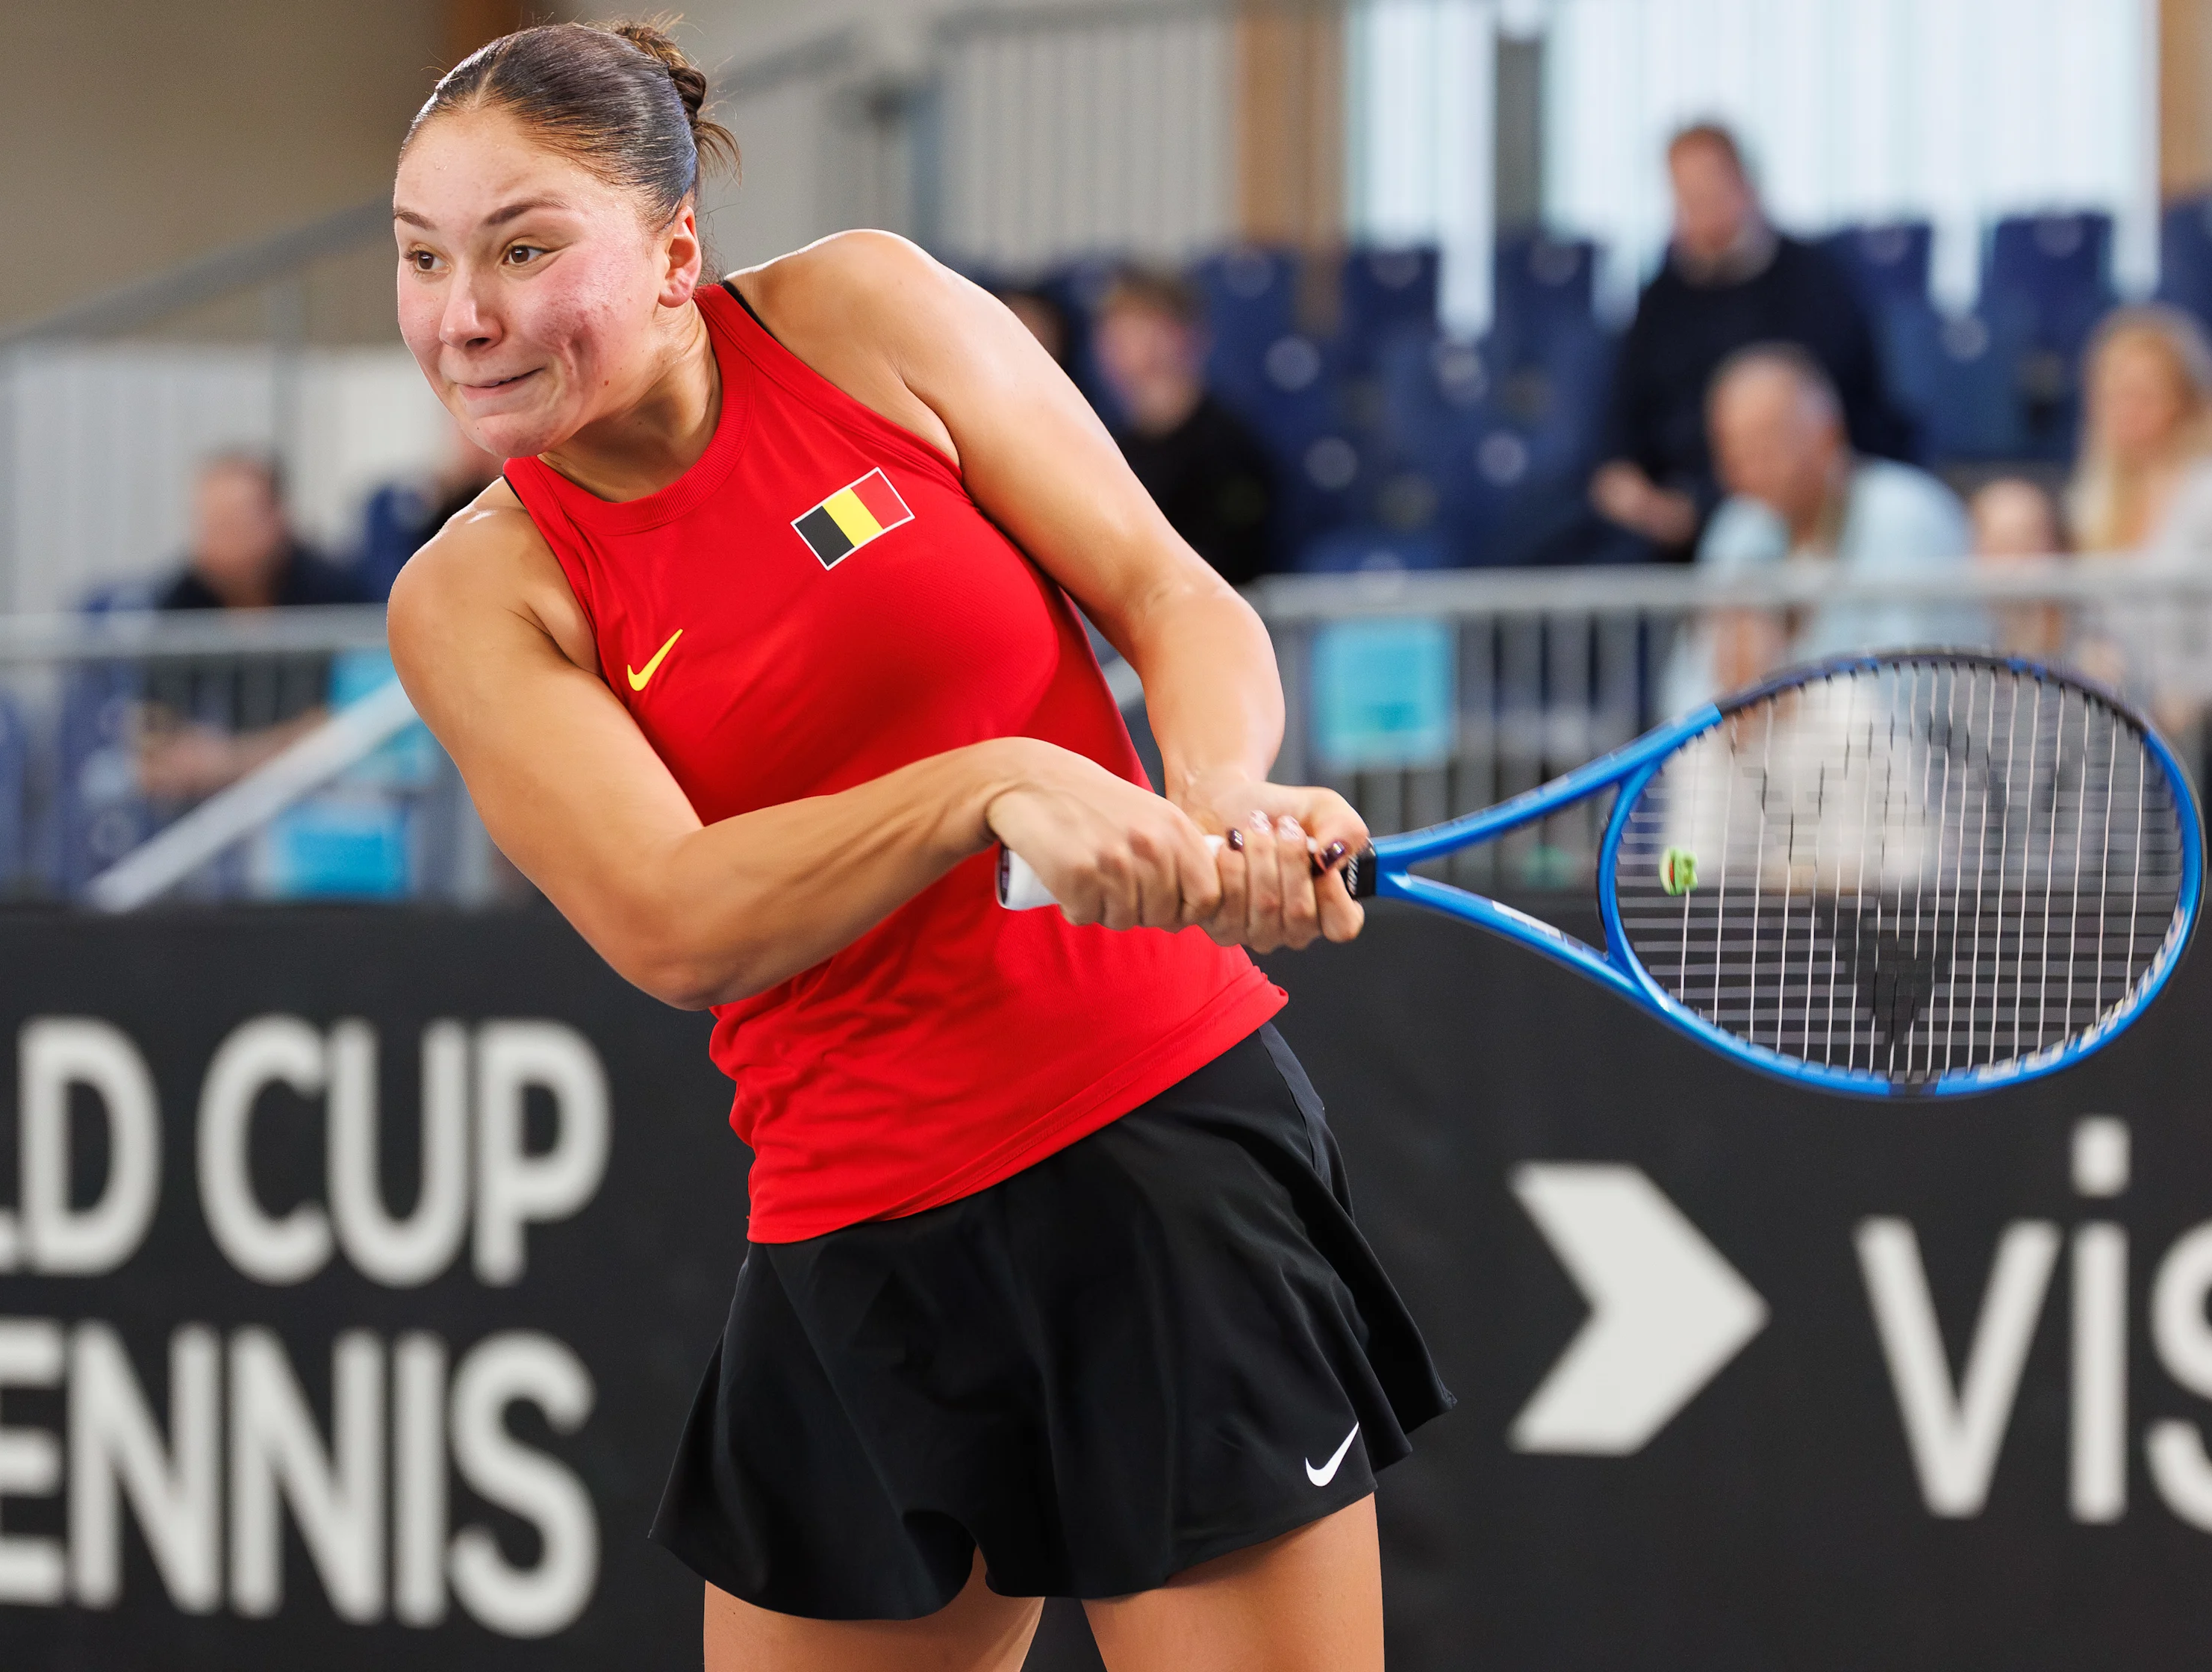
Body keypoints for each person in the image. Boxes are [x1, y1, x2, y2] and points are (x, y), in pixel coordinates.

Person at [385, 21, 1445, 1672]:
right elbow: (673, 922)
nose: (467, 316)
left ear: (673, 256)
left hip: (1155, 1157)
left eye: (526, 249)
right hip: (850, 1235)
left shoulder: (866, 314)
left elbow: (1168, 593)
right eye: (425, 257)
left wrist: (1225, 785)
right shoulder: (471, 596)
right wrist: (989, 783)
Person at [1589, 123, 1910, 564]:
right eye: (1684, 195)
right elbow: (1623, 419)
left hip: (1778, 503)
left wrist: (1703, 504)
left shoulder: (1817, 282)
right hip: (1665, 504)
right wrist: (1630, 487)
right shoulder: (1660, 298)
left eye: (1707, 189)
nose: (1696, 208)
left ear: (1745, 185)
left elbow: (1839, 425)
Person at [1664, 343, 1980, 714]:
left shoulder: (1906, 512)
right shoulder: (1738, 527)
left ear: (1828, 432)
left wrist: (1784, 695)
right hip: (1753, 746)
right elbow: (1685, 692)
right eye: (1734, 452)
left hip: (1901, 752)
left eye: (1765, 444)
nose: (1749, 468)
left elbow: (1909, 683)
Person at [2066, 305, 2212, 737]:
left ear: (2188, 399)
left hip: (2207, 742)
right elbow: (2085, 626)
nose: (2125, 410)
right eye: (2113, 393)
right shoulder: (2092, 496)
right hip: (2117, 738)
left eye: (2144, 393)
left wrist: (2172, 711)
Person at [134, 452, 368, 800]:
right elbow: (151, 740)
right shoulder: (179, 602)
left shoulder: (336, 594)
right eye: (209, 524)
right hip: (201, 814)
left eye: (233, 523)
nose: (217, 541)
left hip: (325, 801)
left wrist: (226, 761)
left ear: (278, 518)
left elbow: (352, 727)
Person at [1091, 266, 1280, 587]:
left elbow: (1234, 560)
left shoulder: (1228, 445)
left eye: (1136, 330)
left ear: (1182, 337)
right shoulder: (1114, 445)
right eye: (1111, 335)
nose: (1116, 348)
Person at [355, 425, 505, 600]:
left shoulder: (521, 508)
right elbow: (392, 588)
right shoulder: (408, 504)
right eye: (468, 432)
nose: (480, 446)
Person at [1966, 475, 2070, 661]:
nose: (2016, 560)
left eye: (2029, 539)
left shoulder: (2088, 654)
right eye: (2002, 543)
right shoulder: (1965, 648)